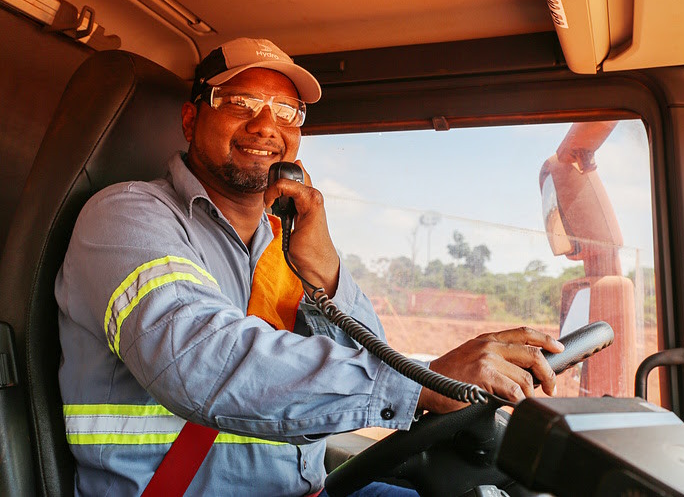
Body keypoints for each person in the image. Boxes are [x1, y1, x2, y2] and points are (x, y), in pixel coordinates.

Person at [56, 37, 564, 496]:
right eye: (240, 104)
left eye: (286, 110)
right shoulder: (124, 217)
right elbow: (196, 357)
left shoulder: (287, 241)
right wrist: (425, 380)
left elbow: (368, 357)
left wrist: (326, 270)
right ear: (191, 120)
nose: (265, 126)